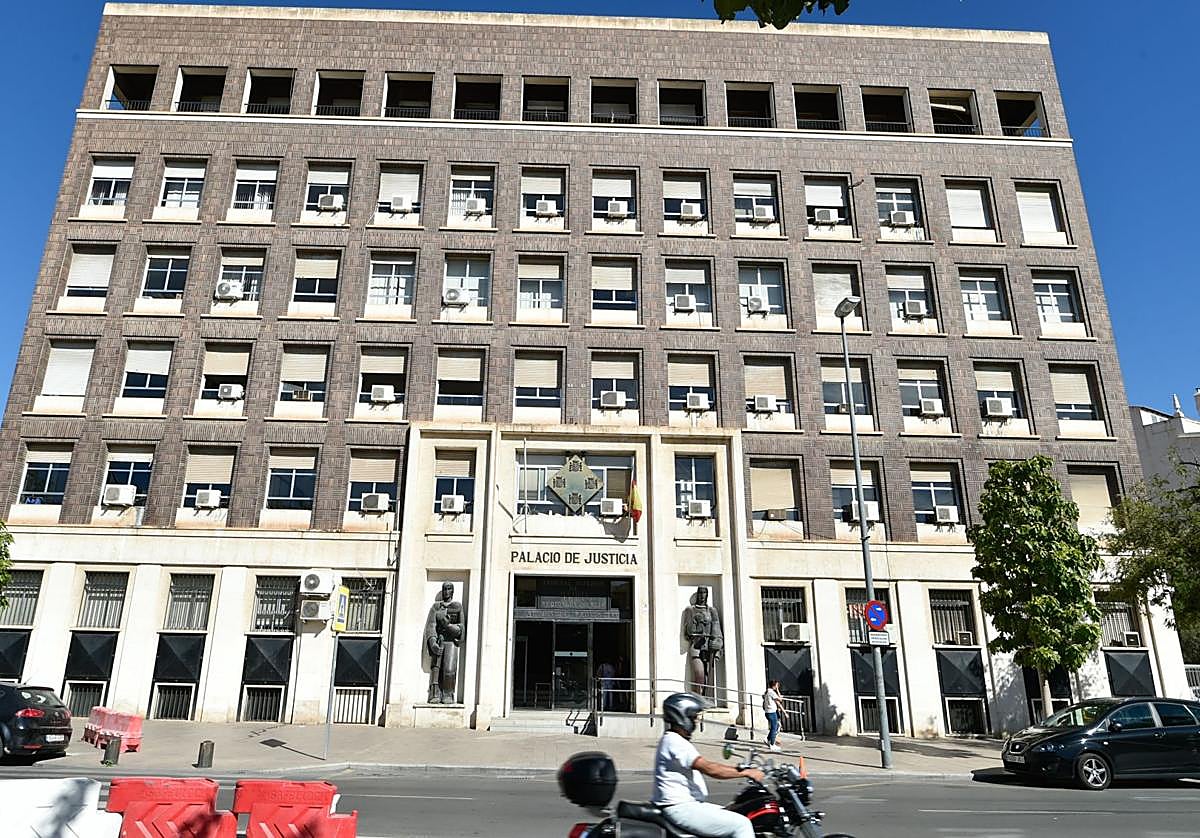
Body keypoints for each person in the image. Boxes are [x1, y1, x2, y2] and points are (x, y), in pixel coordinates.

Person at [651, 692, 763, 838]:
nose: (696, 722)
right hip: (680, 807)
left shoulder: (673, 740)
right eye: (693, 717)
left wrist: (742, 769)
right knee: (742, 824)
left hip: (687, 805)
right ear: (682, 716)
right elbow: (709, 768)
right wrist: (745, 772)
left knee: (732, 811)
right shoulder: (674, 741)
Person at [762, 679, 785, 751]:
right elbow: (780, 699)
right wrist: (778, 690)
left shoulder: (767, 691)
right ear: (774, 685)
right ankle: (772, 744)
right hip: (771, 712)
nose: (777, 686)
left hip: (768, 712)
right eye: (777, 685)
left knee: (775, 726)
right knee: (774, 728)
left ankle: (768, 739)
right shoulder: (771, 692)